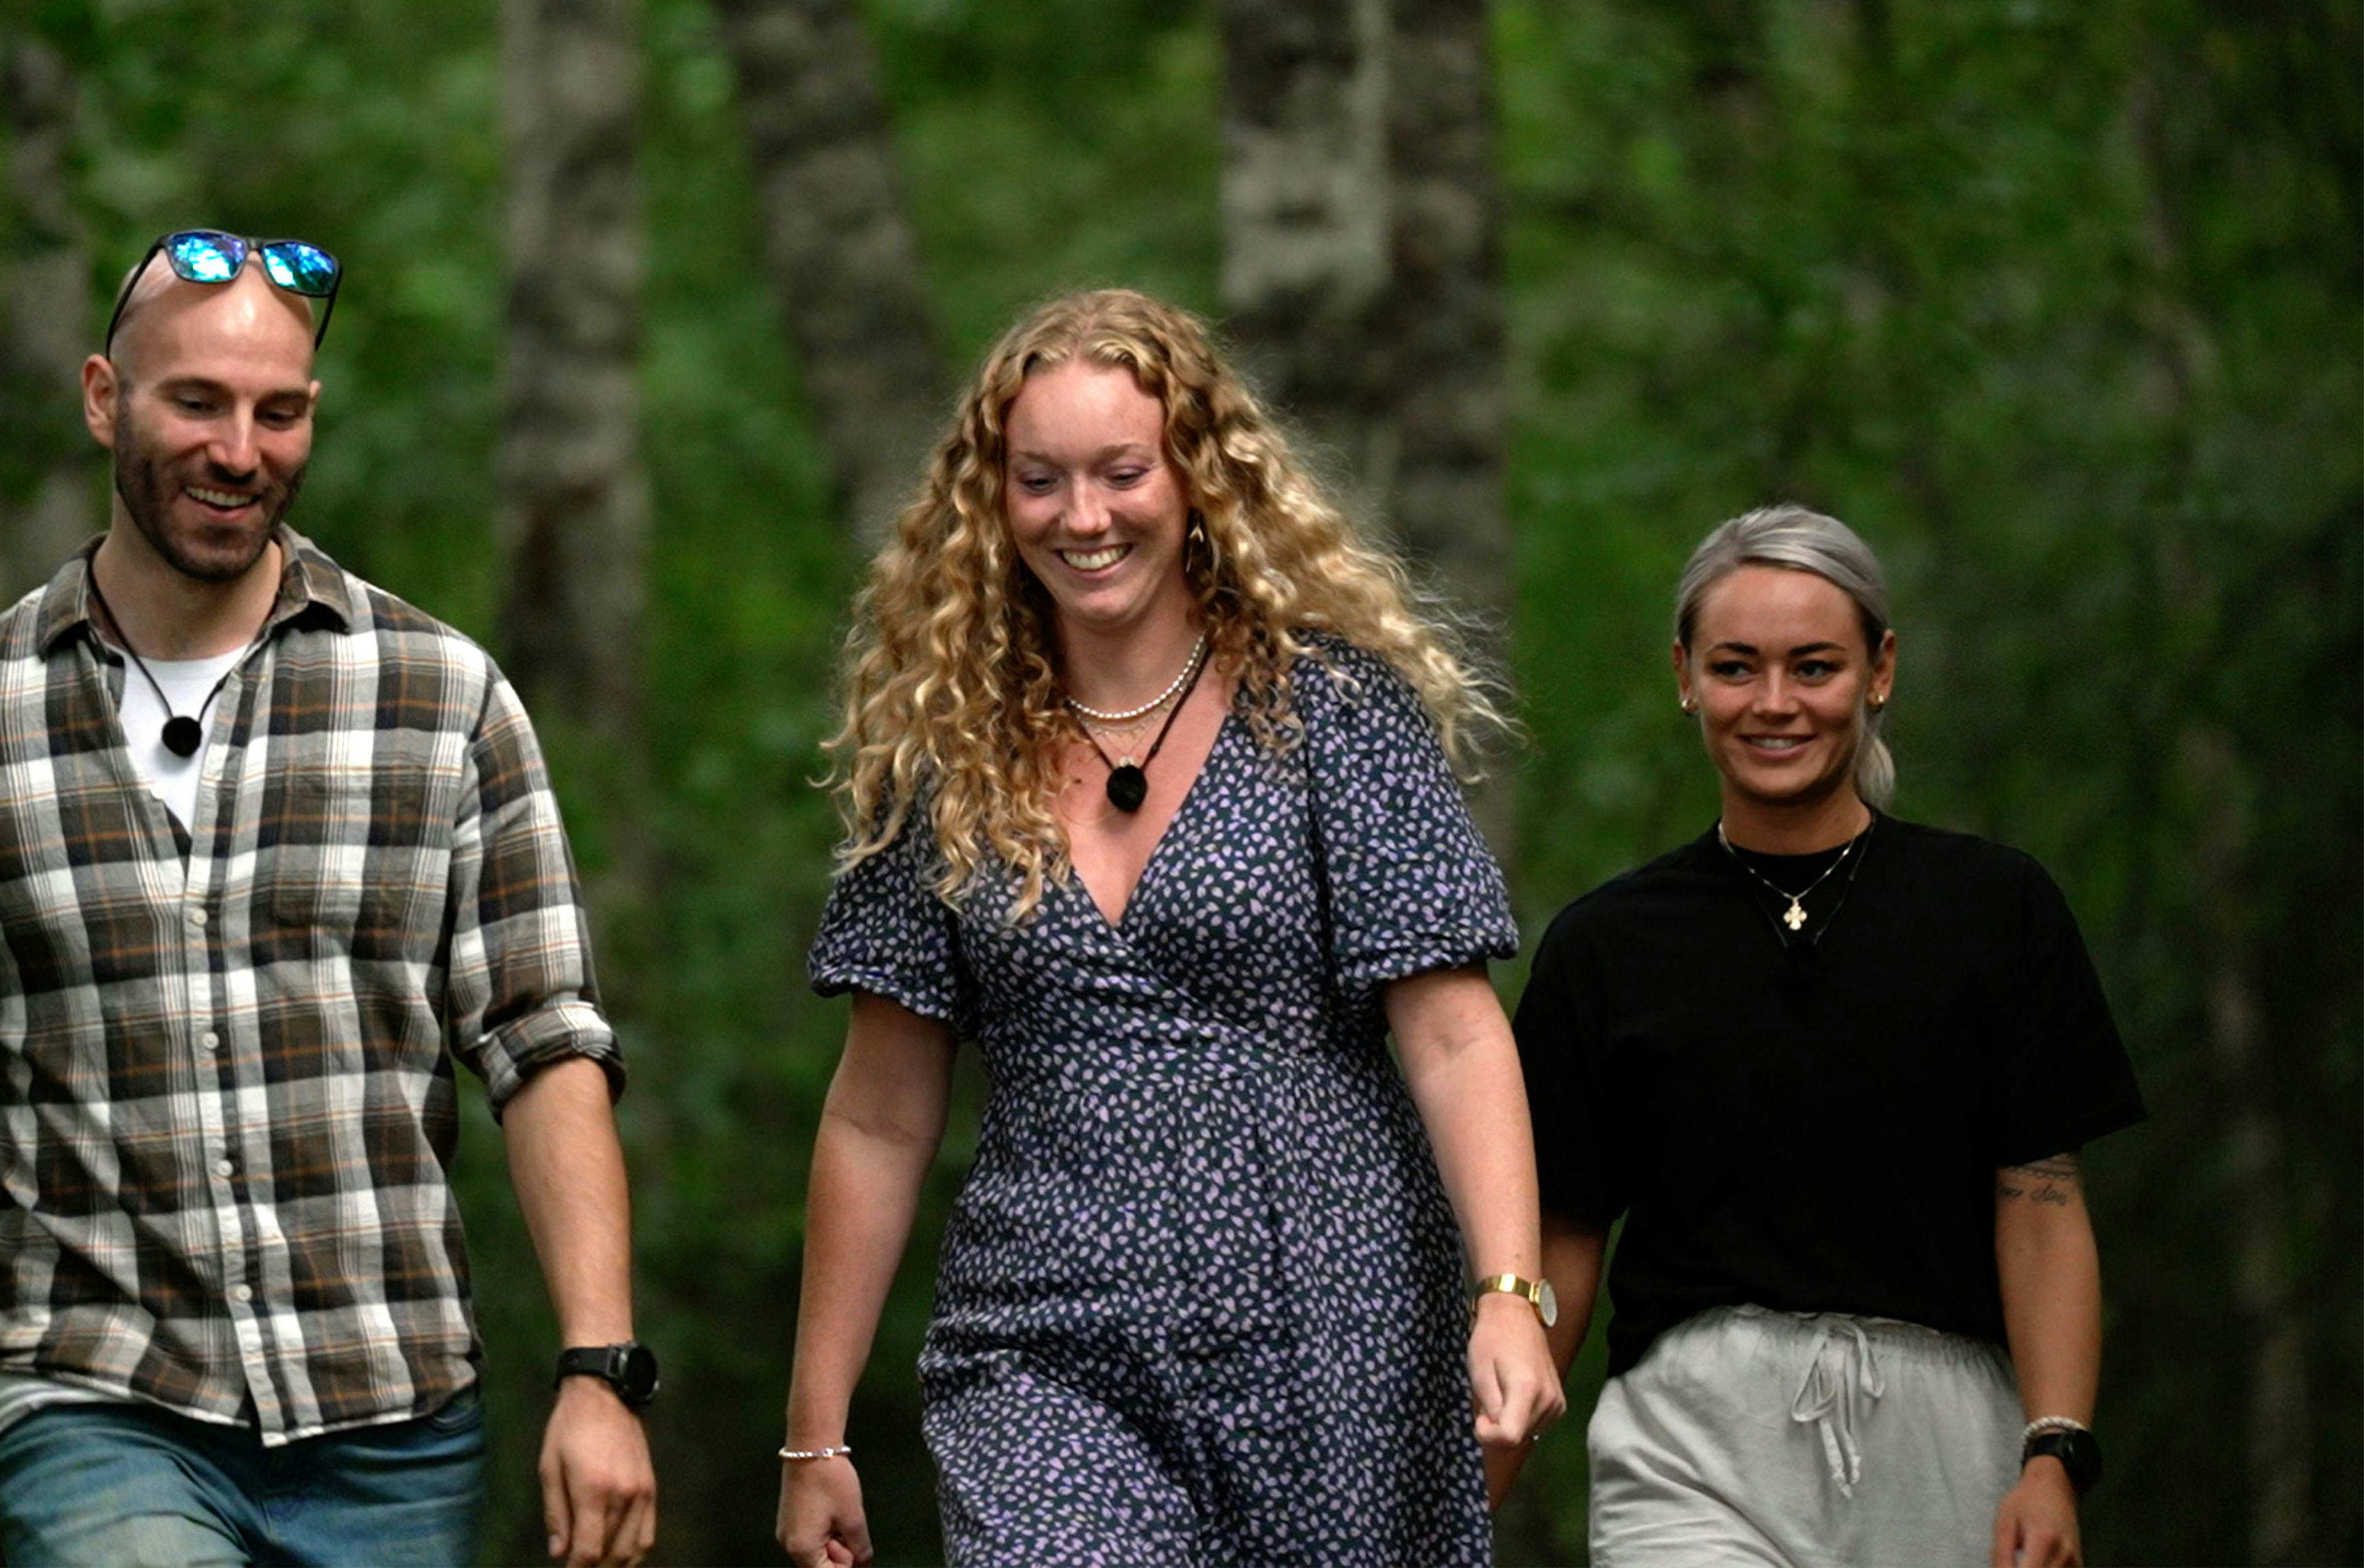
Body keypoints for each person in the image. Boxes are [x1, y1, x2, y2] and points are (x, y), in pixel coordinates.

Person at [0, 230, 658, 1568]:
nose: (241, 449)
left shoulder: (440, 697)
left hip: (393, 1416)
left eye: (279, 411)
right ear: (104, 397)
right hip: (95, 1401)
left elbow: (542, 1044)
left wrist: (600, 1369)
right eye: (198, 401)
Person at [774, 288, 1563, 1568]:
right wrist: (816, 1435)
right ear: (995, 501)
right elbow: (877, 1113)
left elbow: (1458, 1034)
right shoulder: (943, 765)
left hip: (1335, 1326)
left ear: (1195, 477)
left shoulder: (1332, 716)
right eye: (1041, 481)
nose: (1084, 517)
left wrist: (1509, 1293)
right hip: (1043, 1342)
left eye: (1121, 472)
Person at [1508, 505, 2143, 1567]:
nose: (1773, 703)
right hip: (1689, 1441)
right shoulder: (1605, 947)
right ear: (1684, 675)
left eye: (1813, 667)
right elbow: (1560, 1239)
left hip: (1950, 1444)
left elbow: (2040, 1205)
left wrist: (2051, 1455)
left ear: (1879, 670)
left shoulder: (1995, 910)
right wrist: (1469, 1469)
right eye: (1735, 667)